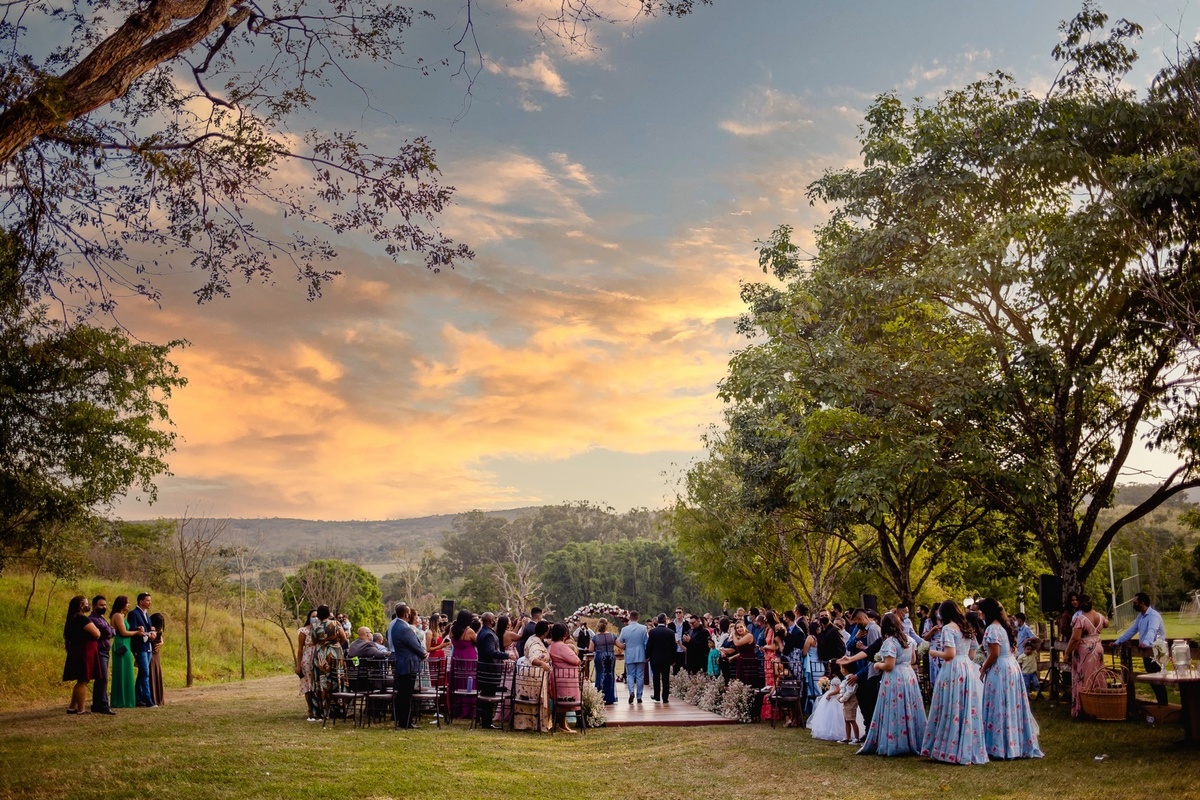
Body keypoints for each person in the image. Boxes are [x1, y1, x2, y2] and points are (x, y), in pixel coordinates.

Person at [919, 599, 988, 765]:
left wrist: (934, 652)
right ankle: (966, 747)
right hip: (967, 668)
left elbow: (949, 654)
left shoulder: (948, 629)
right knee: (965, 707)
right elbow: (972, 655)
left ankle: (949, 748)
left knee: (951, 705)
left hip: (953, 669)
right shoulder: (967, 627)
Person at [977, 598, 1043, 759]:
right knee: (1011, 705)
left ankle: (1000, 747)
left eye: (982, 611)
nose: (980, 614)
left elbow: (994, 653)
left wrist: (983, 669)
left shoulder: (992, 629)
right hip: (1011, 666)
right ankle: (1014, 744)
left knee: (999, 705)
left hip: (1000, 668)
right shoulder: (1003, 627)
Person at [856, 612, 926, 756]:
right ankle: (913, 739)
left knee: (895, 708)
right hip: (908, 675)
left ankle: (896, 741)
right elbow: (913, 660)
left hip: (895, 678)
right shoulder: (909, 639)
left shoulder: (890, 642)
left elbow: (889, 665)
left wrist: (877, 665)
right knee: (908, 708)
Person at [1113, 591, 1169, 706]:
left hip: (1157, 651)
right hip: (1146, 652)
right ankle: (1161, 704)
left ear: (1142, 603)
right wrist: (1117, 642)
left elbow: (1152, 630)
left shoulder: (1153, 616)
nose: (1134, 605)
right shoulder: (1141, 617)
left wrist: (1145, 643)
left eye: (1135, 603)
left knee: (1157, 679)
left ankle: (1163, 705)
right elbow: (1131, 631)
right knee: (1152, 679)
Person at [1064, 593, 1108, 717]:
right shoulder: (1099, 616)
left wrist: (1067, 653)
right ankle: (1099, 705)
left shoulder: (1080, 619)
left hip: (1085, 650)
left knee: (1083, 677)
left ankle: (1083, 709)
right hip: (1098, 647)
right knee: (1096, 674)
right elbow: (1107, 623)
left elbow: (1075, 639)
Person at [388, 602, 426, 729]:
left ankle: (403, 720)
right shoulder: (405, 628)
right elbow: (414, 644)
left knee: (403, 693)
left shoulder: (395, 626)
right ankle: (406, 722)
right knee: (406, 694)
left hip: (402, 662)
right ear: (406, 614)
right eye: (409, 613)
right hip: (408, 664)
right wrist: (423, 653)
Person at [62, 595, 101, 714]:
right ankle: (81, 709)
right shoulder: (82, 619)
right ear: (81, 605)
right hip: (86, 651)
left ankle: (72, 707)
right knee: (83, 680)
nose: (88, 606)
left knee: (81, 680)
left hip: (77, 651)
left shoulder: (72, 619)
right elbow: (97, 633)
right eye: (86, 603)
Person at [309, 605, 348, 720]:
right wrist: (336, 646)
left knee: (322, 680)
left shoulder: (315, 626)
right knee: (337, 677)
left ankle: (323, 709)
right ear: (328, 613)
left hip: (320, 654)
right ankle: (339, 708)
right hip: (335, 654)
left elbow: (313, 641)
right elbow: (344, 638)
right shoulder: (336, 624)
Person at [516, 620, 553, 731]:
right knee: (535, 698)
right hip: (534, 674)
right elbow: (533, 659)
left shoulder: (532, 638)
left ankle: (530, 723)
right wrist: (543, 664)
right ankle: (532, 724)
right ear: (546, 632)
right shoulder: (536, 644)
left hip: (528, 672)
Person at [475, 612, 509, 729]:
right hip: (489, 671)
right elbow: (491, 652)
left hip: (485, 669)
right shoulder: (488, 634)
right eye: (494, 618)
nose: (496, 620)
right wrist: (506, 656)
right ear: (490, 620)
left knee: (486, 695)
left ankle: (485, 721)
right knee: (488, 696)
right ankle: (487, 723)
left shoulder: (482, 632)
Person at [548, 622, 581, 733]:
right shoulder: (562, 646)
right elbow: (576, 660)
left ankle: (563, 723)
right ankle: (562, 724)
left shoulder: (551, 645)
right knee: (565, 699)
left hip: (557, 677)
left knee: (561, 702)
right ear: (565, 634)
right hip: (565, 679)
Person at [88, 595, 116, 715]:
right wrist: (108, 631)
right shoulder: (93, 619)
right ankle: (104, 704)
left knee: (101, 679)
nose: (103, 607)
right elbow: (108, 631)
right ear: (94, 606)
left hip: (105, 650)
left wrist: (108, 631)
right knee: (102, 678)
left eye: (105, 605)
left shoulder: (102, 618)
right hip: (99, 650)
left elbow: (112, 631)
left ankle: (97, 704)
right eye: (101, 605)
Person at [109, 596, 138, 710]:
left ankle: (126, 698)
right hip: (121, 645)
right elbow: (124, 632)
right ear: (121, 604)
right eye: (127, 603)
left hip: (126, 645)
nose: (128, 605)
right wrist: (137, 633)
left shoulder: (122, 616)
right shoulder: (117, 615)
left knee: (127, 671)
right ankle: (121, 700)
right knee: (122, 672)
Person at [449, 610, 479, 720]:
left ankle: (456, 708)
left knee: (457, 682)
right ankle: (468, 709)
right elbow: (478, 642)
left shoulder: (452, 629)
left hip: (456, 658)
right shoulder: (469, 631)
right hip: (468, 659)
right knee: (468, 683)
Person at [615, 610, 649, 704]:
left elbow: (620, 641)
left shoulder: (625, 630)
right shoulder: (643, 628)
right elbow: (646, 642)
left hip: (630, 654)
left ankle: (631, 692)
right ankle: (639, 696)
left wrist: (625, 645)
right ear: (638, 617)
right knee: (640, 676)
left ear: (630, 617)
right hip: (641, 654)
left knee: (630, 675)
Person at [128, 592, 155, 708]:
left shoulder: (146, 614)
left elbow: (150, 627)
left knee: (142, 673)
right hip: (140, 647)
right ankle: (148, 699)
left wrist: (152, 632)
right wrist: (146, 634)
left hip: (147, 646)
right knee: (145, 672)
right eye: (148, 600)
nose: (150, 602)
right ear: (141, 601)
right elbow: (133, 629)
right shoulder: (134, 613)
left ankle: (138, 698)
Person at [808, 662, 846, 741]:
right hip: (833, 697)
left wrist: (829, 694)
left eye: (829, 667)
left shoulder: (835, 679)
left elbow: (838, 690)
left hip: (834, 698)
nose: (828, 669)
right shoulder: (836, 678)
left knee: (834, 715)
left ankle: (835, 731)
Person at [295, 609, 319, 720]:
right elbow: (300, 649)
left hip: (319, 657)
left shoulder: (321, 629)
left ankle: (319, 708)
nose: (315, 618)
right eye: (313, 616)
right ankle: (311, 709)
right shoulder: (304, 631)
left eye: (317, 616)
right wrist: (298, 665)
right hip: (307, 658)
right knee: (308, 684)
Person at [647, 614, 676, 703]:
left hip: (655, 658)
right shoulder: (670, 632)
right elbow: (673, 647)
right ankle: (665, 697)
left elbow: (649, 645)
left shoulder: (652, 632)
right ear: (665, 621)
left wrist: (647, 656)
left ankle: (657, 696)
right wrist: (673, 659)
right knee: (665, 678)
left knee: (656, 677)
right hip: (666, 659)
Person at [589, 618, 617, 704]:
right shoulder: (613, 636)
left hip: (600, 657)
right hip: (611, 657)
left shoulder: (595, 637)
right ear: (607, 625)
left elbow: (590, 649)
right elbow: (621, 645)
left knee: (600, 674)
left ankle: (601, 696)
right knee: (610, 674)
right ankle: (610, 697)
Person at [838, 672, 861, 744]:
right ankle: (848, 737)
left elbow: (850, 691)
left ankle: (857, 738)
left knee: (851, 719)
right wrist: (841, 695)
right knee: (846, 719)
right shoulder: (845, 679)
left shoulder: (850, 678)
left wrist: (842, 699)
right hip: (846, 701)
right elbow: (843, 689)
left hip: (851, 701)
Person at [149, 612, 166, 707]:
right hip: (152, 653)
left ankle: (157, 697)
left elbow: (160, 636)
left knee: (156, 673)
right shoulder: (152, 628)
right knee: (152, 674)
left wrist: (162, 642)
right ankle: (154, 697)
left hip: (156, 653)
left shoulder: (158, 629)